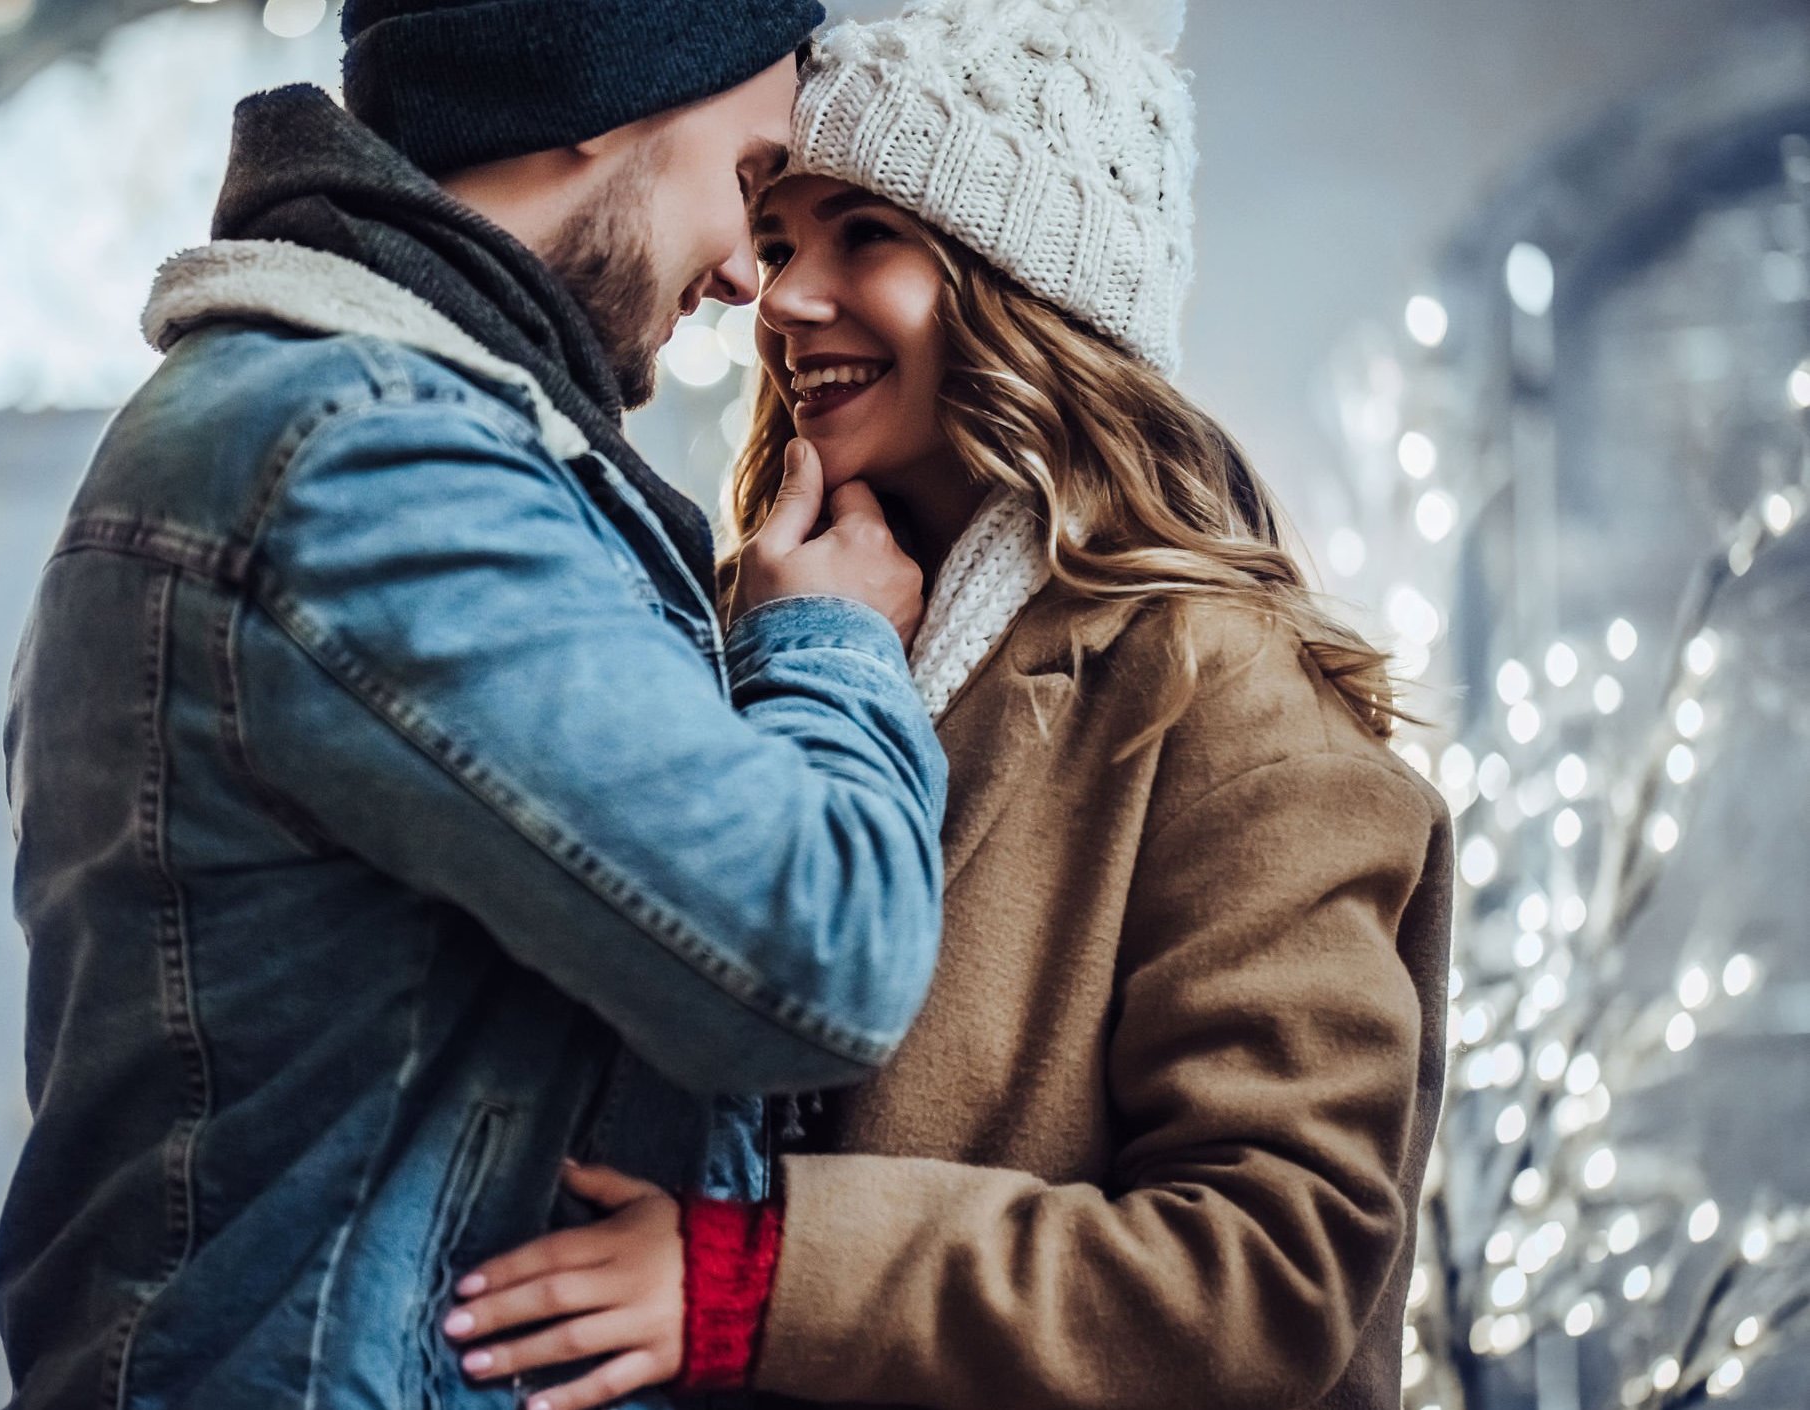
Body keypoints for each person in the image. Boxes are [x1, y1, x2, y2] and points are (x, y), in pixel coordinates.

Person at [443, 3, 1456, 1408]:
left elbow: (1268, 1269)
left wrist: (754, 1279)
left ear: (1028, 285)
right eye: (781, 236)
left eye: (869, 233)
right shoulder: (750, 633)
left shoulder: (1227, 699)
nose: (783, 295)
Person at [0, 3, 962, 1408]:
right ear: (590, 78)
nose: (754, 280)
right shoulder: (368, 458)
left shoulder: (318, 421)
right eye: (751, 183)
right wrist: (827, 637)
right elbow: (815, 951)